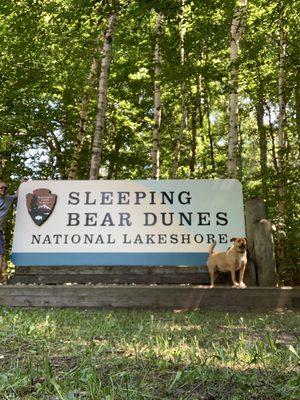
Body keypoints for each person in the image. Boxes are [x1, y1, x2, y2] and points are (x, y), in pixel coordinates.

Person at [0, 181, 18, 284]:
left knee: (1, 255)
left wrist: (22, 183)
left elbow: (17, 195)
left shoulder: (8, 199)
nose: (3, 189)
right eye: (1, 187)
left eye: (5, 188)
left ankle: (4, 279)